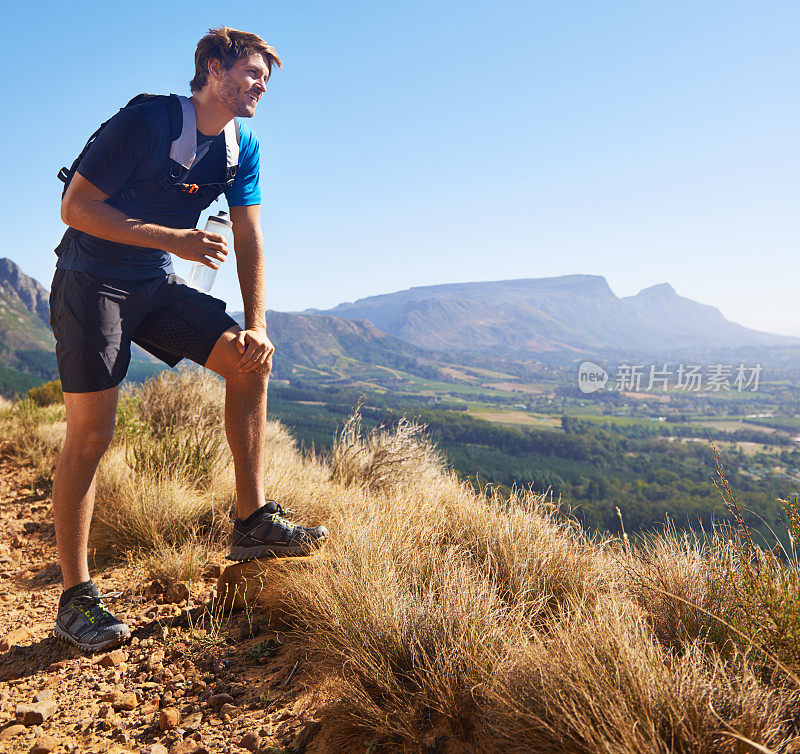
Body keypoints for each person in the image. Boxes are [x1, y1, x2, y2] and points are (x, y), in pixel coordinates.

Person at [49, 26, 328, 653]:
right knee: (92, 434)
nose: (262, 87)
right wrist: (175, 240)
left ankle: (252, 522)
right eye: (253, 73)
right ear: (211, 67)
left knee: (247, 362)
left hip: (151, 283)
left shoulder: (241, 145)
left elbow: (251, 238)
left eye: (266, 78)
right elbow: (75, 208)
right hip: (90, 281)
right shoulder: (147, 122)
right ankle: (75, 598)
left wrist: (258, 321)